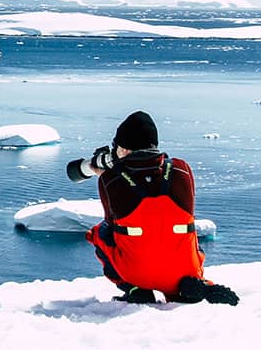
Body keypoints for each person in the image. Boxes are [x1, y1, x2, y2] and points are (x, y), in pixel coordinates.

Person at [85, 110, 238, 305]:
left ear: (123, 149)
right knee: (181, 227)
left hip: (137, 273)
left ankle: (133, 288)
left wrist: (109, 175)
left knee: (100, 232)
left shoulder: (110, 179)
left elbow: (111, 222)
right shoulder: (182, 168)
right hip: (183, 270)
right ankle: (189, 287)